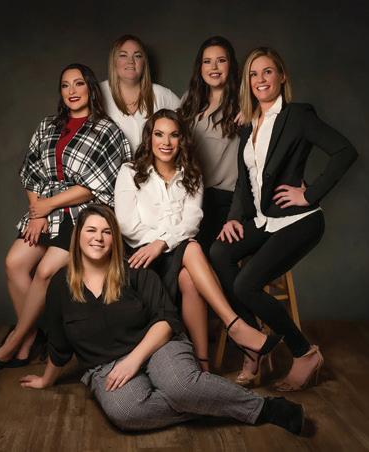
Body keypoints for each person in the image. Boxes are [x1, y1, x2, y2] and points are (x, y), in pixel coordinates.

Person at [18, 204, 307, 435]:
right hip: (105, 366)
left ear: (114, 239)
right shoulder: (60, 285)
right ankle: (208, 401)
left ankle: (265, 408)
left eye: (106, 232)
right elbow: (59, 342)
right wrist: (46, 380)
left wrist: (133, 360)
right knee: (126, 413)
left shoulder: (135, 271)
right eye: (91, 230)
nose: (98, 238)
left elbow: (166, 319)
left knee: (182, 387)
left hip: (158, 346)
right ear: (78, 236)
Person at [210, 47, 358, 389]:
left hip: (299, 221)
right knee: (218, 252)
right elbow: (245, 181)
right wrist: (234, 218)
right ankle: (254, 343)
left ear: (282, 76)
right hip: (265, 220)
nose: (260, 79)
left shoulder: (298, 115)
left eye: (267, 72)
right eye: (253, 74)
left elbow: (344, 151)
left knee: (245, 284)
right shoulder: (248, 124)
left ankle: (304, 353)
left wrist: (309, 194)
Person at [0, 63, 132, 371]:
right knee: (14, 263)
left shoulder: (106, 130)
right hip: (45, 209)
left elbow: (95, 186)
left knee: (45, 271)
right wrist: (37, 211)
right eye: (65, 85)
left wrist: (48, 205)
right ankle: (32, 339)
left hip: (84, 213)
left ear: (90, 88)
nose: (72, 91)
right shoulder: (47, 126)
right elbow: (31, 172)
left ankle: (15, 340)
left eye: (78, 84)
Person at [114, 109, 278, 372]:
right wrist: (161, 242)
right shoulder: (130, 171)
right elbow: (126, 225)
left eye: (174, 135)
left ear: (182, 139)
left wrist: (163, 242)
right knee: (191, 247)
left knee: (190, 275)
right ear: (149, 138)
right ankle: (234, 325)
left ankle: (203, 366)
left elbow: (192, 222)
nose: (166, 142)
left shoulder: (192, 174)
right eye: (159, 134)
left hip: (176, 252)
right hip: (141, 258)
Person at [180, 36, 240, 254]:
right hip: (188, 197)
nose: (214, 67)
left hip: (224, 200)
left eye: (221, 60)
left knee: (203, 258)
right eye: (207, 61)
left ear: (230, 65)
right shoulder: (190, 101)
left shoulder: (244, 103)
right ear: (200, 67)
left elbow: (274, 139)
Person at [100, 34, 180, 152]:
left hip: (151, 164)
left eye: (137, 56)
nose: (131, 61)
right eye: (123, 55)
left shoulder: (162, 95)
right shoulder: (97, 92)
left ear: (144, 62)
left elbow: (187, 131)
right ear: (114, 61)